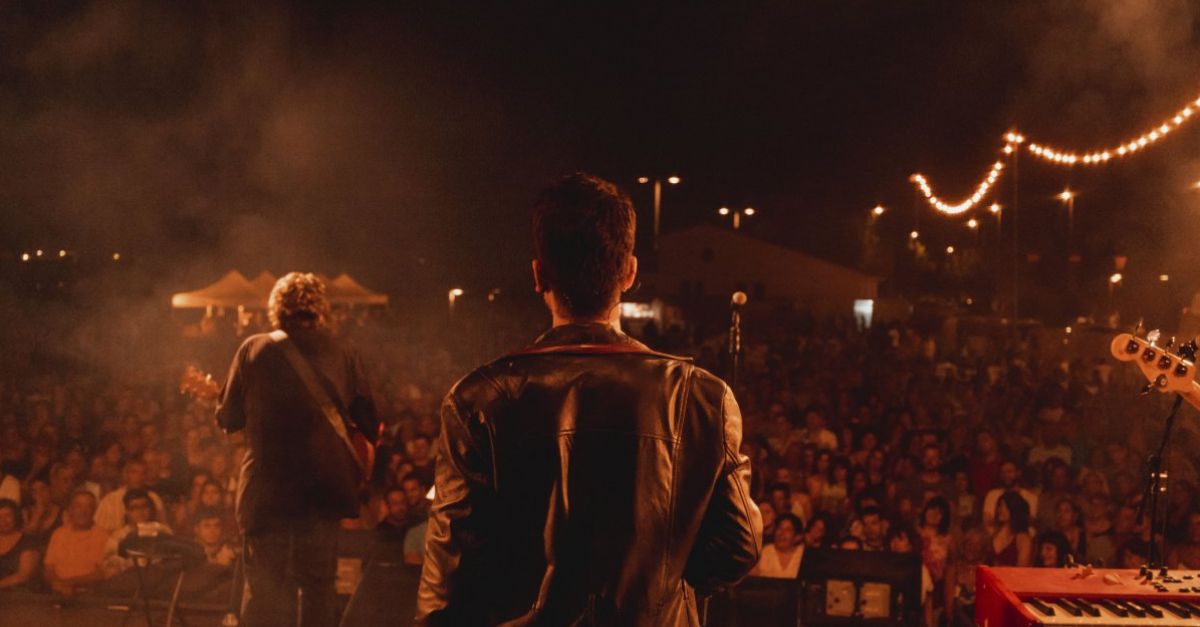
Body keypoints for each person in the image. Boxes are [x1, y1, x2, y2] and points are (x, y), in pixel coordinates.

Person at [416, 173, 762, 625]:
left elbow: (446, 580)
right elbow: (739, 546)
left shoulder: (478, 399)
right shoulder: (700, 396)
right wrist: (662, 580)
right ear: (630, 272)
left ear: (539, 274)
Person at [216, 272, 380, 627]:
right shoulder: (344, 352)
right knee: (318, 588)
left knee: (264, 590)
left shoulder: (253, 349)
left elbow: (229, 418)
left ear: (276, 307)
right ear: (320, 309)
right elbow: (369, 422)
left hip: (267, 493)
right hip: (322, 494)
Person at [43, 489, 109, 596]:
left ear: (94, 510)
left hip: (89, 596)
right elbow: (48, 569)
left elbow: (101, 574)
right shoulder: (58, 534)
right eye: (78, 506)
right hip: (58, 594)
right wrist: (57, 584)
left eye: (88, 506)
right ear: (70, 510)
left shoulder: (103, 536)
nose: (83, 511)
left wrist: (70, 583)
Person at [0, 498, 39, 590]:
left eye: (8, 515)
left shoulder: (28, 541)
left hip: (21, 594)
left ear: (16, 517)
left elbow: (24, 576)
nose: (3, 521)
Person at [752, 513, 803, 578]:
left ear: (797, 537)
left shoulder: (803, 554)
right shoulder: (764, 552)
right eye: (779, 528)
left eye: (788, 530)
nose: (782, 533)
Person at [990, 492, 1032, 567]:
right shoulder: (992, 532)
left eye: (1004, 506)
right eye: (999, 506)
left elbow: (1022, 570)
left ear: (1014, 508)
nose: (1000, 510)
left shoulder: (1023, 539)